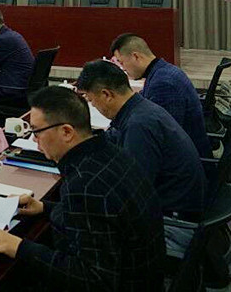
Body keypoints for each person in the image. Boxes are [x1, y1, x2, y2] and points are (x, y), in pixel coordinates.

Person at [0, 86, 166, 290]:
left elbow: (94, 280)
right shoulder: (111, 152)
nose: (34, 140)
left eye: (37, 132)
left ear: (66, 132)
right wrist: (44, 208)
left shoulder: (85, 185)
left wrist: (18, 246)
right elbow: (101, 219)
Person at [77, 59, 206, 257]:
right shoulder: (139, 108)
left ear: (106, 95)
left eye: (91, 100)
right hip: (177, 208)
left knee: (83, 230)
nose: (93, 106)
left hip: (175, 225)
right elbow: (113, 138)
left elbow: (132, 194)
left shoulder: (139, 126)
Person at [109, 33, 211, 158]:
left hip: (187, 161)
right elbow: (137, 103)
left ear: (135, 56)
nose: (123, 68)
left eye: (121, 62)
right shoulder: (161, 71)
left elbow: (159, 135)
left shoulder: (164, 83)